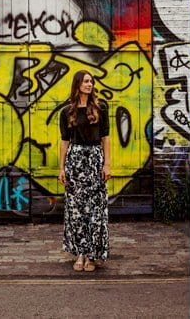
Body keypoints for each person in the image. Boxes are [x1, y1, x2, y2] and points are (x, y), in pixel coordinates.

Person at [58, 70, 111, 272]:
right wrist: (61, 167)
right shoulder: (67, 112)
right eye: (86, 81)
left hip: (95, 159)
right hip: (76, 161)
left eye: (91, 82)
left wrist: (107, 164)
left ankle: (91, 255)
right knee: (77, 209)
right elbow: (64, 141)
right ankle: (80, 253)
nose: (90, 84)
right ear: (78, 84)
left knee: (95, 210)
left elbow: (106, 137)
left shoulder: (101, 108)